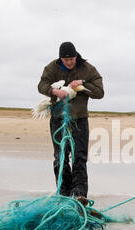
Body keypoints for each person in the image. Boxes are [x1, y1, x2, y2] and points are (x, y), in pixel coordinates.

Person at [38, 42, 104, 202]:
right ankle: (63, 193)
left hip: (79, 119)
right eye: (65, 59)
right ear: (61, 58)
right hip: (58, 118)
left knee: (79, 157)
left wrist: (82, 83)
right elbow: (42, 85)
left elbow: (99, 92)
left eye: (72, 59)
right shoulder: (51, 68)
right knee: (60, 156)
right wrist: (54, 91)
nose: (69, 62)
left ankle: (79, 194)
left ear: (76, 56)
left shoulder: (88, 69)